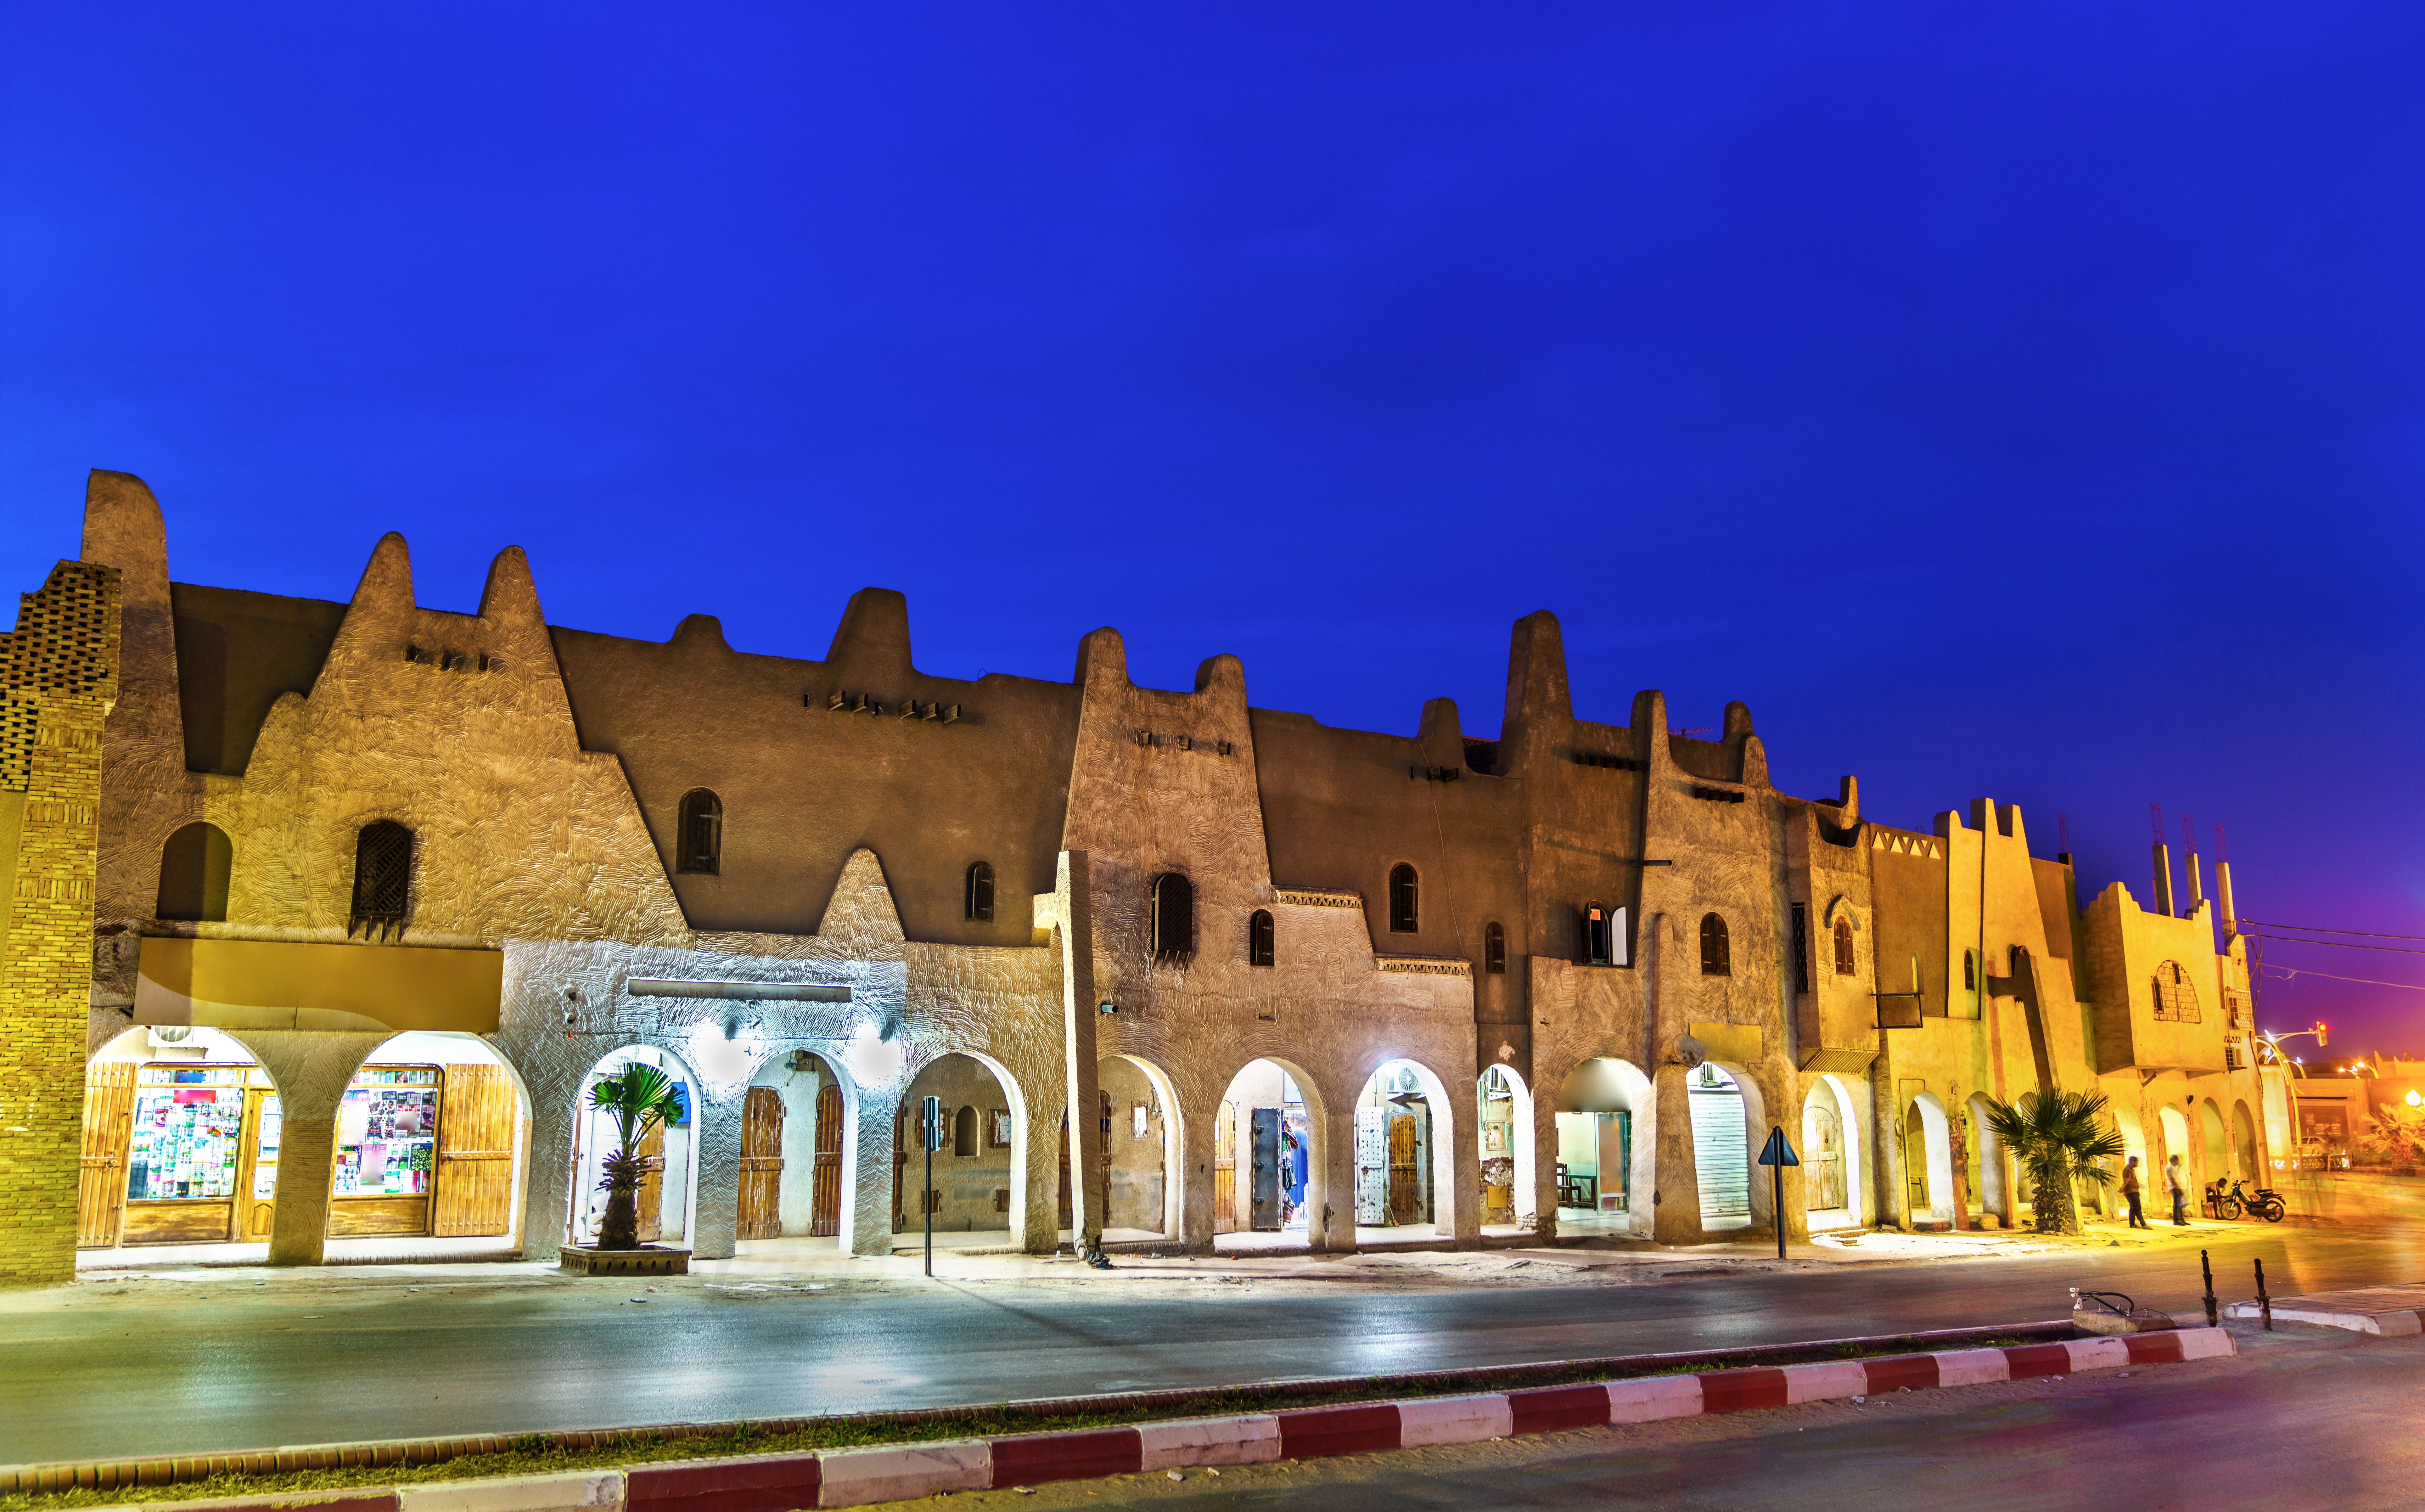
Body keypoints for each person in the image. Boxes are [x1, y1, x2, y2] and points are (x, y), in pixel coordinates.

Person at [2120, 1155, 2148, 1228]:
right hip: (2131, 1192)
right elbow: (2126, 1182)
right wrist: (2122, 1189)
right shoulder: (2127, 1170)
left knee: (2133, 1208)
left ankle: (2132, 1224)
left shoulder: (2131, 1170)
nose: (2137, 1164)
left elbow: (2131, 1181)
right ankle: (2144, 1224)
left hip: (2134, 1191)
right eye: (2137, 1162)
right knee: (2137, 1208)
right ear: (2133, 1162)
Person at [2167, 1153, 2190, 1226]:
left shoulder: (2173, 1168)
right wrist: (2180, 1189)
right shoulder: (2171, 1168)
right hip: (2175, 1188)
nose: (2179, 1162)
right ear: (2176, 1160)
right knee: (2177, 1205)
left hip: (2176, 1187)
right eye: (2178, 1160)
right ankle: (2176, 1221)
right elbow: (2173, 1180)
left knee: (2180, 1205)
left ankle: (2181, 1220)